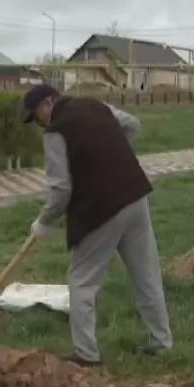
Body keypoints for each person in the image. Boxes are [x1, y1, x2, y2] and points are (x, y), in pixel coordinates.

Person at [20, 83, 173, 367]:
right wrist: (108, 153)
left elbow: (61, 191)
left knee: (81, 281)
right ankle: (161, 342)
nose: (38, 123)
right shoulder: (95, 105)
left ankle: (86, 355)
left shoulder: (55, 132)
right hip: (135, 196)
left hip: (100, 209)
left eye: (36, 116)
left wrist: (44, 222)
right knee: (146, 274)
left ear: (46, 104)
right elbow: (132, 125)